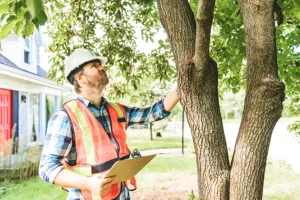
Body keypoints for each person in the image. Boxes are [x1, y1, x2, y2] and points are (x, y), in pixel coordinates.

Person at [39, 48, 179, 200]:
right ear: (80, 78)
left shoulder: (117, 110)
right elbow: (47, 167)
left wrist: (181, 89)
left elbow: (151, 114)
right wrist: (87, 183)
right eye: (94, 65)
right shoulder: (65, 116)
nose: (102, 67)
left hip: (121, 194)